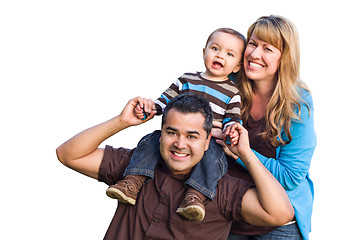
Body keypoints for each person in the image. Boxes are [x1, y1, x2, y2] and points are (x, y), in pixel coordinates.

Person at [56, 93, 294, 240]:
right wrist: (122, 122)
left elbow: (280, 213)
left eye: (192, 136)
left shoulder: (221, 190)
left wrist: (246, 154)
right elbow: (68, 154)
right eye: (172, 133)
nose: (180, 144)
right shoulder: (135, 168)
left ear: (207, 141)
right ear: (160, 134)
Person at [105, 28, 246, 221]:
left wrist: (232, 131)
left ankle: (195, 197)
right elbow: (164, 102)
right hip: (176, 134)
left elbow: (232, 120)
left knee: (214, 158)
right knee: (151, 140)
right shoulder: (186, 80)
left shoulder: (232, 93)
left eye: (229, 54)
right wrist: (149, 108)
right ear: (204, 51)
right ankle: (132, 182)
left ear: (237, 66)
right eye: (215, 48)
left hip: (208, 140)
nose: (220, 55)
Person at [221, 15, 316, 240]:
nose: (255, 54)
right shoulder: (227, 85)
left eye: (268, 49)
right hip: (229, 212)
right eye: (252, 44)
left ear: (285, 58)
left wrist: (241, 154)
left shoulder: (298, 104)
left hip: (278, 223)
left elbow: (291, 176)